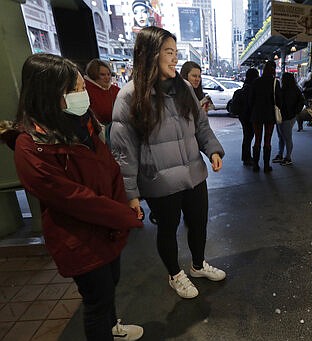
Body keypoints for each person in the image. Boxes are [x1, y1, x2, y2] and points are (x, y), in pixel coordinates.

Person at [0, 53, 144, 340]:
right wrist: (124, 216)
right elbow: (75, 199)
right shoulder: (31, 146)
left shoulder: (82, 122)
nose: (83, 95)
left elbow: (109, 167)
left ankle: (112, 327)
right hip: (79, 239)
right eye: (74, 90)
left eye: (82, 88)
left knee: (109, 286)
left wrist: (125, 202)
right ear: (48, 94)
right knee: (96, 301)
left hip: (108, 227)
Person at [110, 26, 226, 299]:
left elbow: (201, 125)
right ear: (150, 55)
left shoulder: (184, 87)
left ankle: (197, 265)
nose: (175, 59)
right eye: (169, 52)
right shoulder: (129, 96)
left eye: (176, 52)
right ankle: (175, 274)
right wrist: (131, 195)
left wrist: (212, 151)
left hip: (194, 174)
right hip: (159, 180)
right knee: (168, 229)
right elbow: (123, 152)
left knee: (199, 223)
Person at [249, 60, 280, 172]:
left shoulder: (256, 81)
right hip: (269, 115)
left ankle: (255, 166)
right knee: (267, 141)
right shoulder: (275, 82)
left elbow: (251, 99)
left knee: (257, 140)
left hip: (257, 114)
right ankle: (266, 166)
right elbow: (278, 100)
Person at [84, 59, 121, 145]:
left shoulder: (115, 90)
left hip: (116, 133)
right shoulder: (86, 91)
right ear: (94, 75)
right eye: (102, 75)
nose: (107, 77)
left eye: (108, 74)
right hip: (96, 135)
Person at [272, 72, 305, 166]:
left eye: (282, 78)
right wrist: (296, 111)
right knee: (284, 137)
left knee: (285, 137)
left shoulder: (284, 90)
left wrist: (295, 112)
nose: (281, 80)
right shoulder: (295, 89)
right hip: (288, 116)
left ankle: (287, 157)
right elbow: (301, 101)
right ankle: (281, 155)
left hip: (286, 116)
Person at [235, 68, 259, 166]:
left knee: (247, 136)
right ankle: (247, 158)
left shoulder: (245, 86)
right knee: (248, 137)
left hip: (243, 116)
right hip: (250, 116)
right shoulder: (252, 88)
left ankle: (246, 157)